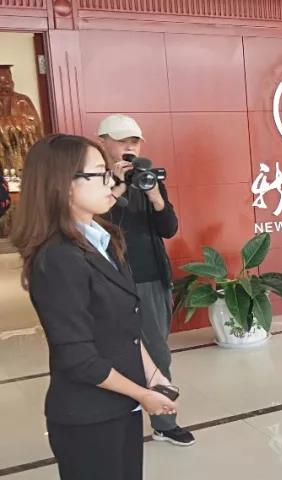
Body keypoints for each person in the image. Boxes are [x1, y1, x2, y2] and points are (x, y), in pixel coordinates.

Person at [10, 134, 178, 480]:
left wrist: (153, 375)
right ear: (63, 184)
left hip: (121, 408)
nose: (111, 183)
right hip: (88, 418)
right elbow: (78, 358)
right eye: (99, 174)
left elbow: (127, 326)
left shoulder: (103, 240)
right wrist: (142, 395)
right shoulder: (57, 258)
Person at [98, 114, 193, 447]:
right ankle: (113, 423)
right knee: (108, 354)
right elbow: (94, 225)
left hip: (152, 278)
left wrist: (154, 196)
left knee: (157, 352)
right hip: (110, 279)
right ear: (103, 142)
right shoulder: (92, 179)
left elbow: (169, 228)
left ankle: (164, 424)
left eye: (135, 141)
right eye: (122, 141)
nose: (130, 147)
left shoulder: (148, 177)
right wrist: (117, 186)